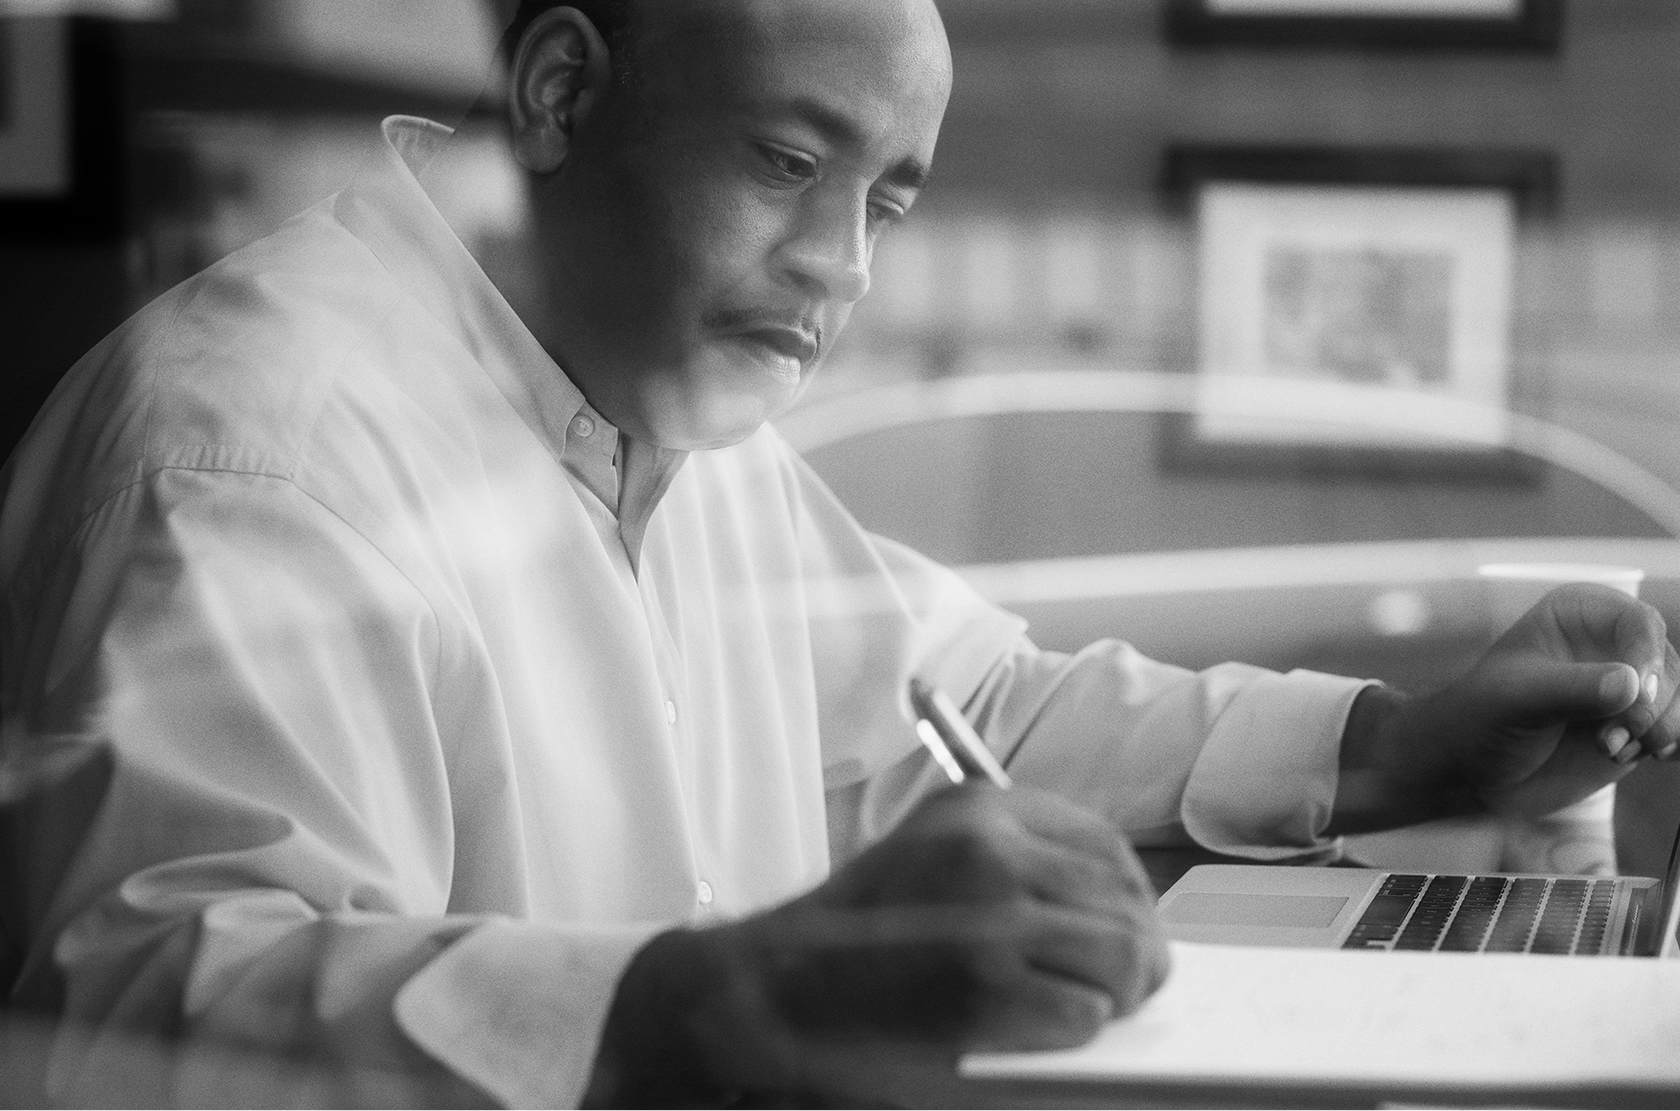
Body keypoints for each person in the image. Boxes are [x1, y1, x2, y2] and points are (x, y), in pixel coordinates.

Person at [2, 0, 1676, 1105]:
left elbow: (971, 715)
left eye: (887, 202)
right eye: (793, 164)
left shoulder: (655, 391)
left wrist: (1395, 743)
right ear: (561, 92)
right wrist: (722, 1004)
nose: (843, 270)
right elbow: (147, 1005)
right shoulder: (250, 449)